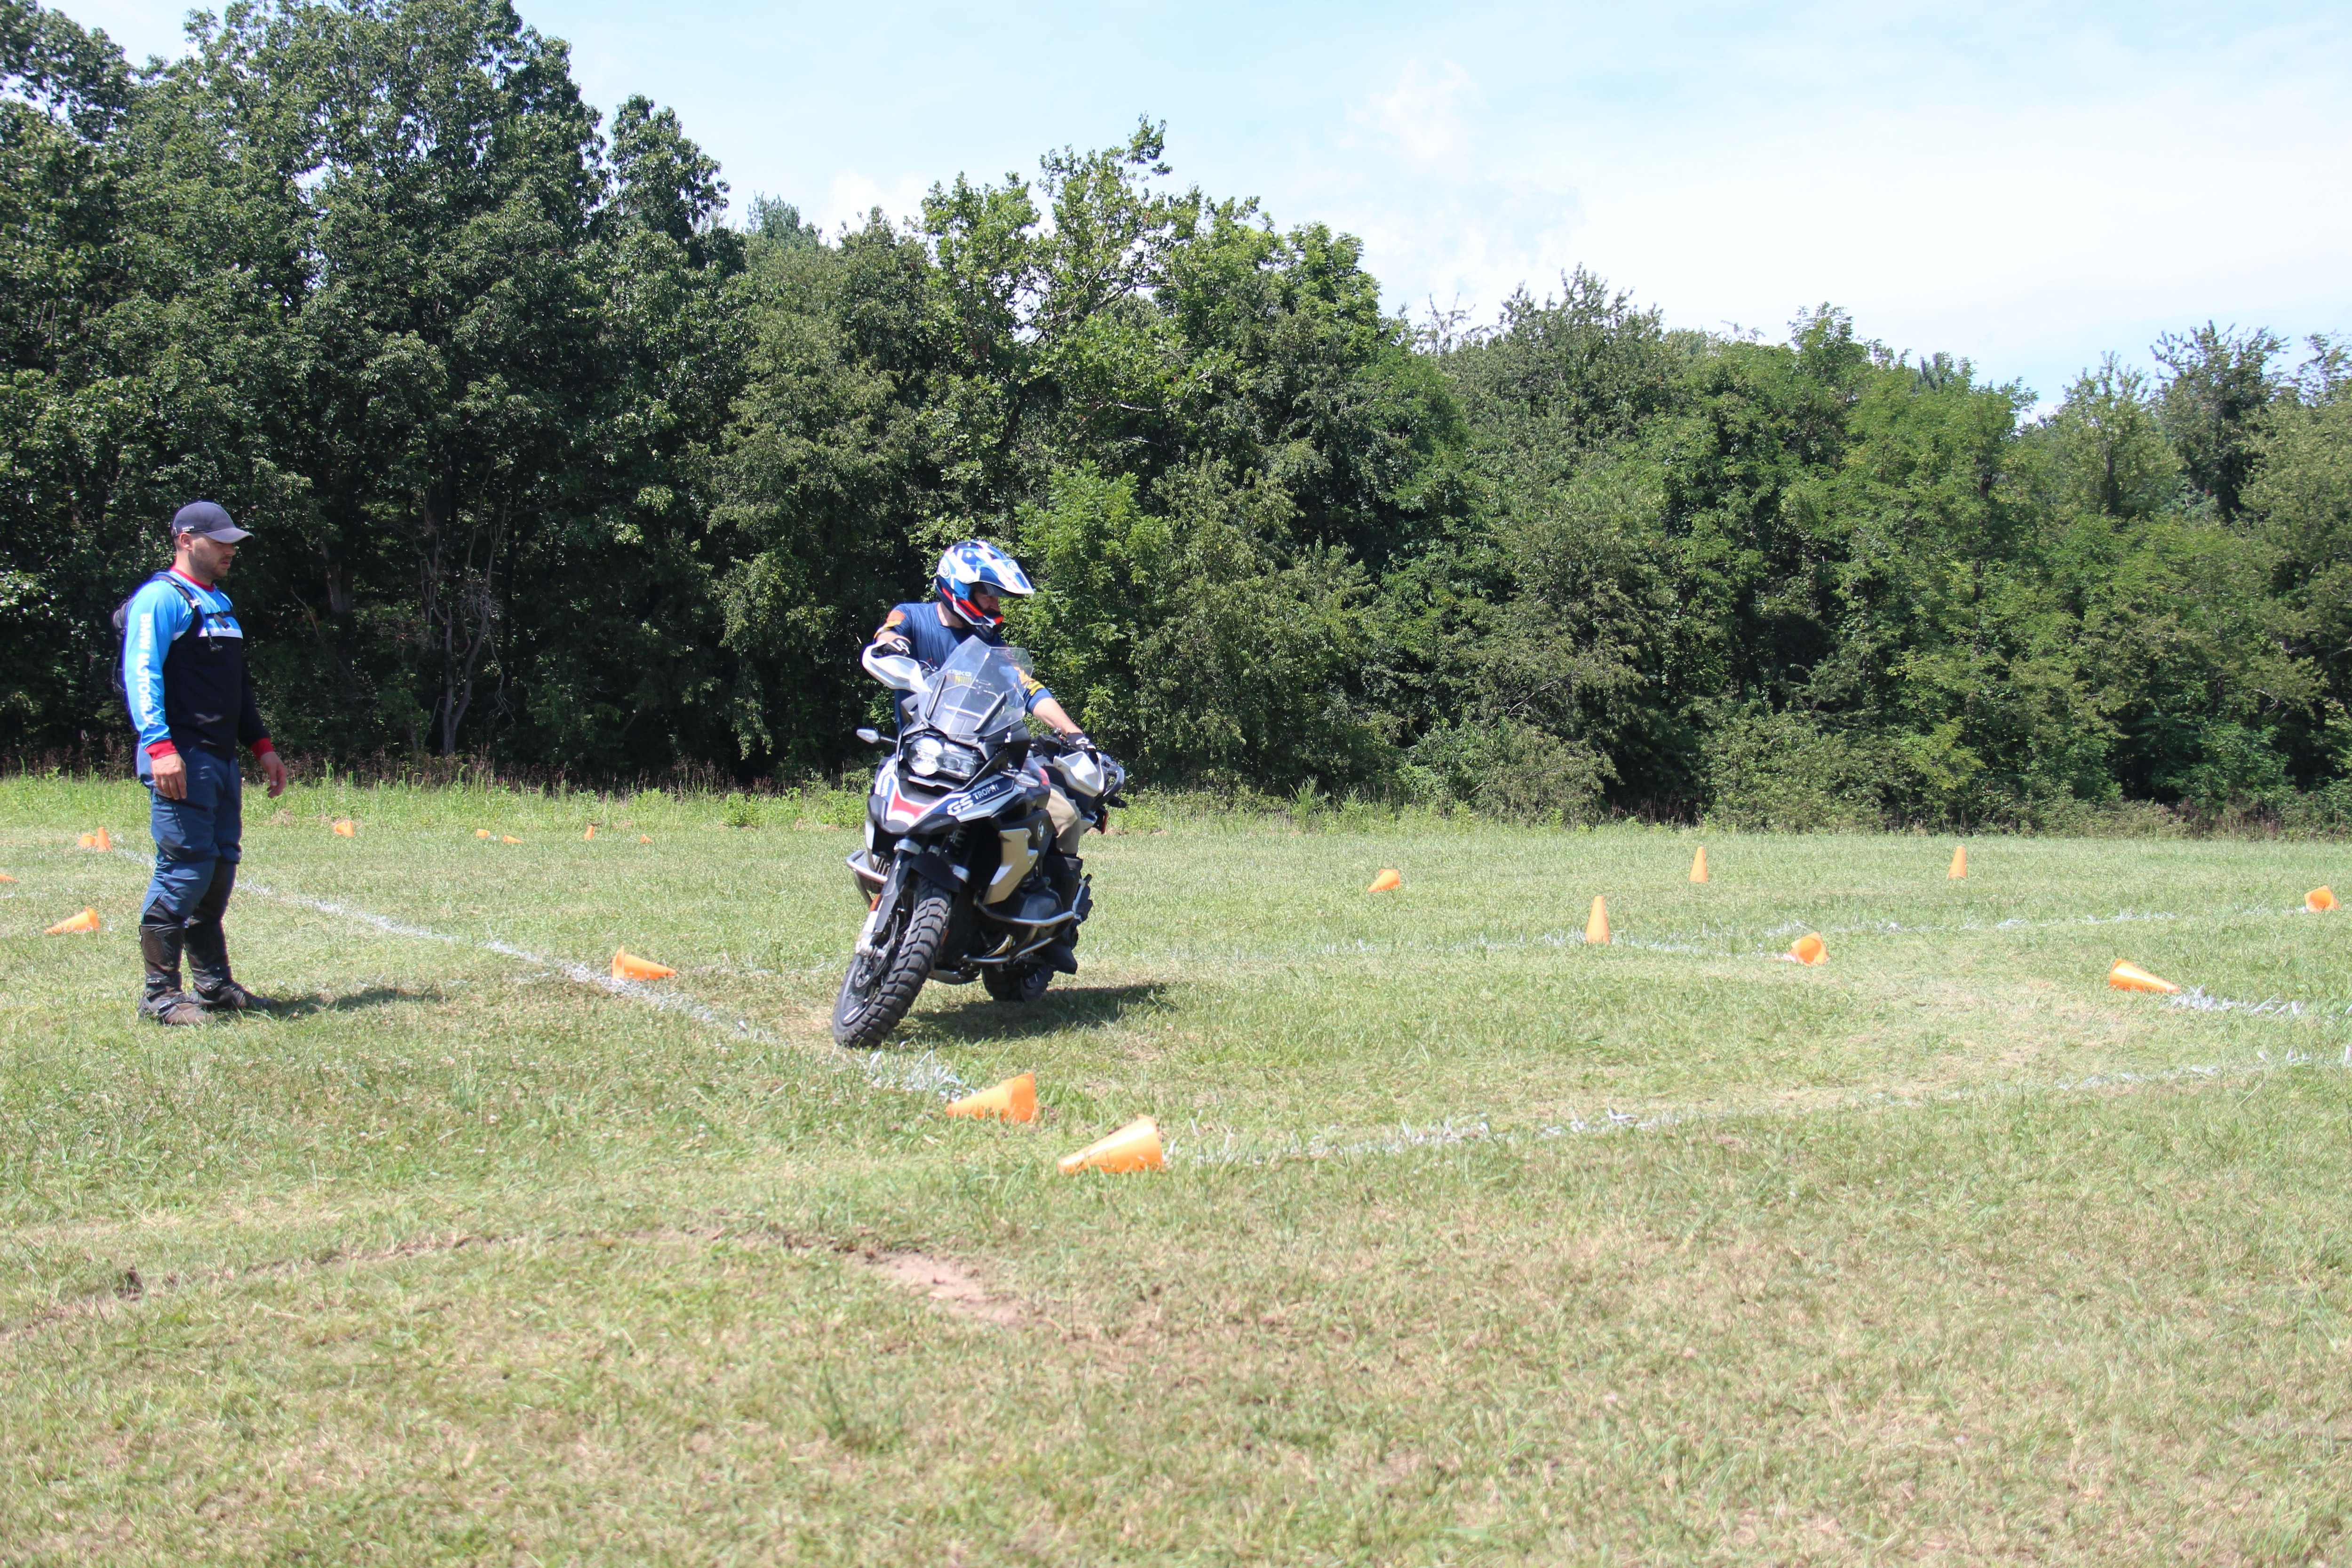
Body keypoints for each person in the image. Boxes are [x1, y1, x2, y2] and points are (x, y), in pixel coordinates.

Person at [866, 541, 1101, 972]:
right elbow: (889, 633)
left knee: (1065, 815)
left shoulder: (992, 644)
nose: (995, 603)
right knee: (884, 785)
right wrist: (892, 646)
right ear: (958, 586)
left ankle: (1054, 929)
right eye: (988, 593)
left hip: (981, 759)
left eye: (997, 595)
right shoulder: (913, 617)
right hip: (926, 754)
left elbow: (1029, 690)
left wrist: (1075, 734)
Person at [119, 501, 289, 1025]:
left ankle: (214, 987)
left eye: (232, 542)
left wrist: (261, 745)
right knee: (185, 869)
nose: (229, 550)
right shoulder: (161, 599)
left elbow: (236, 685)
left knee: (217, 870)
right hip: (181, 757)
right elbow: (141, 673)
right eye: (219, 541)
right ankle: (160, 996)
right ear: (185, 539)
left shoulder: (220, 602)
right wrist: (159, 747)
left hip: (220, 759)